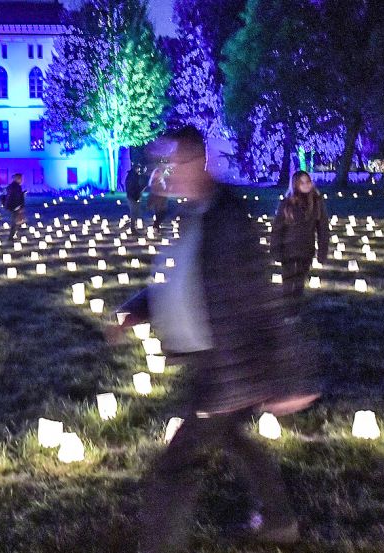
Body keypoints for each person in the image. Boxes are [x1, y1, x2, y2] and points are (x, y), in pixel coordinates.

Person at [109, 126, 319, 553]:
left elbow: (260, 301)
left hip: (226, 372)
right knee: (234, 440)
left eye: (171, 164)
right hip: (208, 364)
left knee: (174, 468)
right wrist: (132, 311)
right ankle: (280, 520)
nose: (163, 174)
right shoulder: (192, 215)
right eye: (160, 166)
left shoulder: (227, 221)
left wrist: (290, 378)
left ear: (196, 161)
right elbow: (175, 282)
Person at [271, 170, 329, 300]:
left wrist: (322, 252)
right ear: (295, 184)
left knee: (299, 284)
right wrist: (275, 249)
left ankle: (295, 312)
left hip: (306, 250)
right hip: (288, 250)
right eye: (302, 182)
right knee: (288, 283)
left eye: (308, 182)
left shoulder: (317, 202)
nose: (306, 185)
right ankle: (286, 311)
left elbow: (323, 228)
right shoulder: (287, 203)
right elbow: (277, 228)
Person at [3, 173, 26, 240]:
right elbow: (15, 197)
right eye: (21, 179)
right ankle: (11, 237)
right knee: (16, 222)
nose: (22, 180)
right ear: (17, 179)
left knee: (18, 221)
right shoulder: (15, 186)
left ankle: (16, 235)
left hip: (14, 206)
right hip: (15, 207)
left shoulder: (13, 186)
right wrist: (19, 206)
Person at [125, 163, 148, 230]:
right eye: (138, 168)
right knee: (134, 212)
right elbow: (133, 187)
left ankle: (132, 226)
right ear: (135, 168)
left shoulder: (134, 175)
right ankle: (132, 227)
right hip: (132, 196)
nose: (139, 169)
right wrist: (140, 189)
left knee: (135, 212)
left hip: (134, 196)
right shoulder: (133, 176)